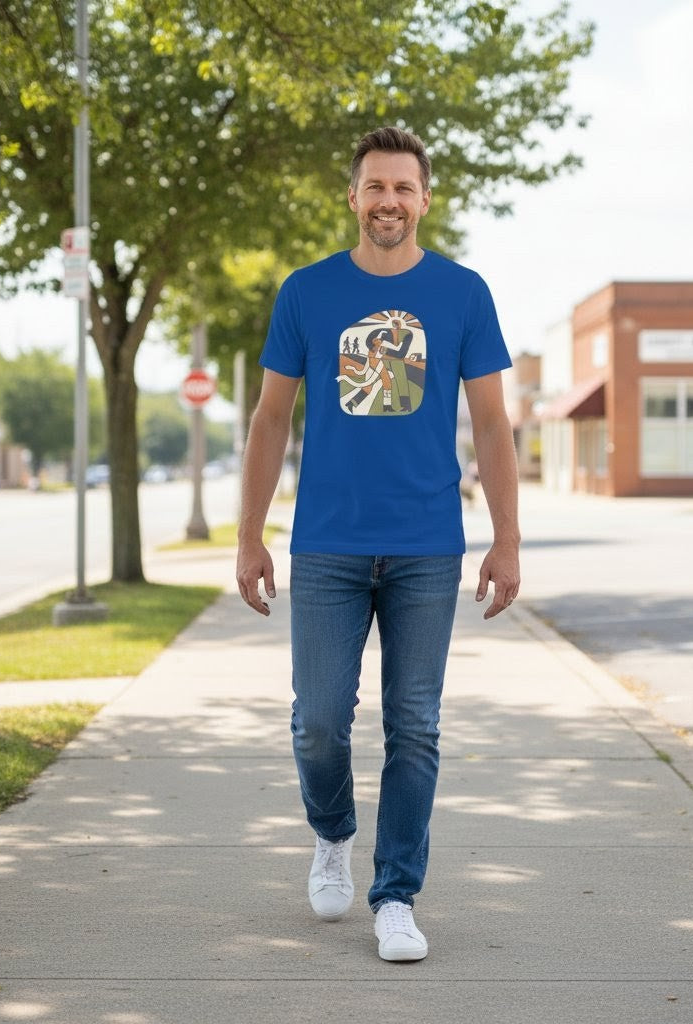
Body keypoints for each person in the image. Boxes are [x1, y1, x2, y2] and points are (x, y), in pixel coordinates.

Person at [236, 125, 520, 963]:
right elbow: (270, 418)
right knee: (320, 722)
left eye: (403, 187)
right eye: (375, 187)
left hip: (428, 546)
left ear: (425, 199)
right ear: (353, 198)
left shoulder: (464, 294)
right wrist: (250, 535)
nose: (388, 200)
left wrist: (506, 540)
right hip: (325, 542)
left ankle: (395, 894)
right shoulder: (307, 292)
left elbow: (494, 423)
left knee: (415, 726)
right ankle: (332, 834)